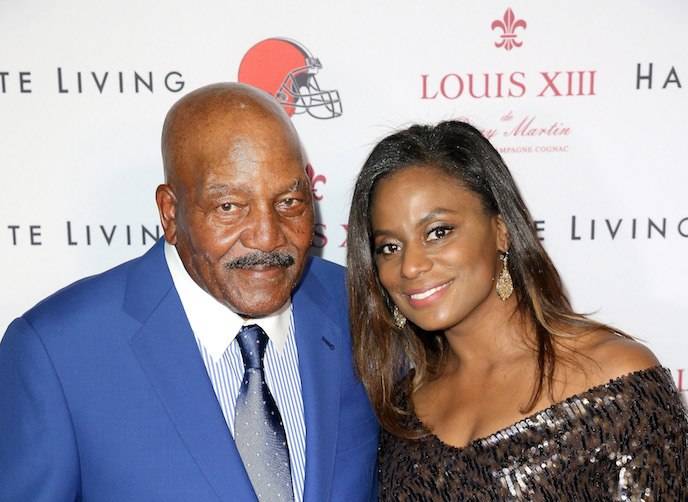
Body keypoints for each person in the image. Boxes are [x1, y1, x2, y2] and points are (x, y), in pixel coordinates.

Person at [0, 83, 378, 502]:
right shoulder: (57, 353)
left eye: (289, 201)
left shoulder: (358, 305)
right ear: (170, 213)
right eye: (229, 207)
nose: (267, 237)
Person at [347, 120, 687, 500]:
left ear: (501, 230)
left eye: (438, 232)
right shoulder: (401, 409)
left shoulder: (615, 381)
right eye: (389, 247)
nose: (410, 266)